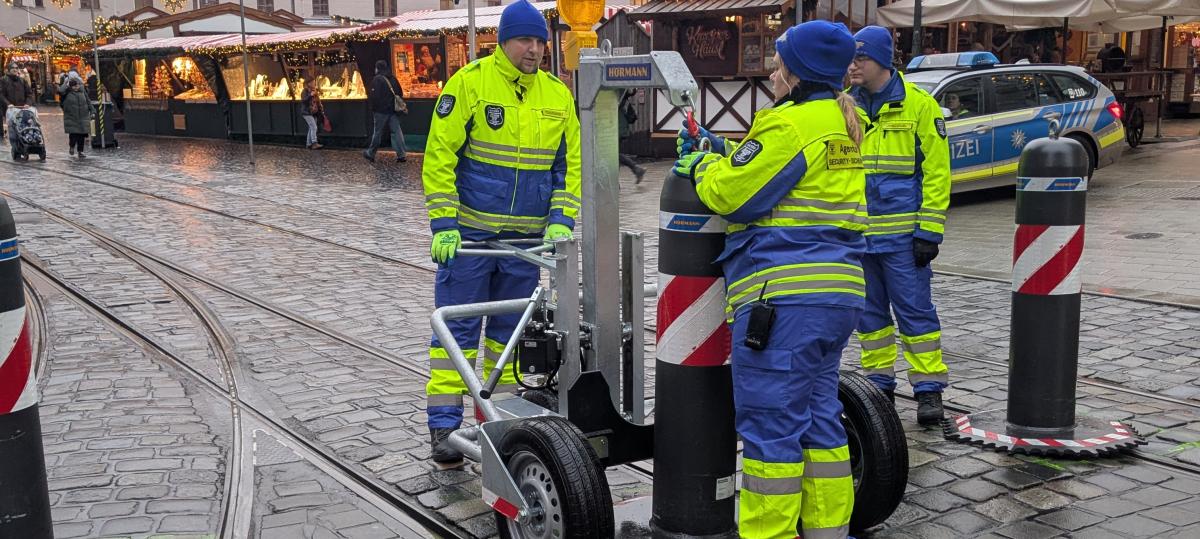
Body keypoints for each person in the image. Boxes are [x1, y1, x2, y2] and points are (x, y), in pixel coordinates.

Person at [675, 20, 865, 539]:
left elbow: (734, 194)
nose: (775, 70)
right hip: (836, 299)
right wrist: (719, 147)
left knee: (770, 435)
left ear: (798, 72)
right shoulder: (843, 122)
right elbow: (770, 176)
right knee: (821, 425)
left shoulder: (790, 125)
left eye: (781, 62)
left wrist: (697, 167)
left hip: (783, 304)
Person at [421, 0, 581, 465]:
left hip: (526, 245)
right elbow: (440, 157)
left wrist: (561, 220)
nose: (533, 50)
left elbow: (568, 166)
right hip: (469, 240)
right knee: (457, 334)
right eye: (524, 41)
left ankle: (498, 423)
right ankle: (444, 430)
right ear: (503, 41)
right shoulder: (469, 84)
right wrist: (444, 224)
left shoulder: (557, 95)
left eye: (539, 42)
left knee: (507, 338)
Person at [847, 26, 951, 425]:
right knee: (869, 319)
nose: (853, 66)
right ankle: (879, 386)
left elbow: (938, 173)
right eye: (851, 59)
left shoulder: (920, 107)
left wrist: (929, 231)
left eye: (862, 59)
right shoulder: (846, 107)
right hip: (859, 237)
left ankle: (928, 389)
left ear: (883, 62)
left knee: (916, 315)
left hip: (904, 238)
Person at [363, 59, 408, 163]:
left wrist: (373, 108)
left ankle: (371, 153)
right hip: (393, 110)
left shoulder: (377, 79)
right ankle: (402, 154)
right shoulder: (393, 78)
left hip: (380, 111)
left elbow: (374, 96)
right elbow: (399, 92)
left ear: (377, 68)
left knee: (377, 132)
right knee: (397, 131)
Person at [1, 62, 35, 144]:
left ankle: (25, 144)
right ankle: (16, 150)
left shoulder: (22, 80)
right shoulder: (3, 80)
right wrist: (8, 104)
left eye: (16, 68)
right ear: (8, 70)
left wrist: (28, 103)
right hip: (10, 109)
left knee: (24, 127)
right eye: (13, 68)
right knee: (13, 129)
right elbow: (1, 94)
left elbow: (29, 94)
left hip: (22, 108)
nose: (15, 69)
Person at [618, 88, 647, 183]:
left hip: (616, 129)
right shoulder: (624, 100)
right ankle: (636, 169)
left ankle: (636, 169)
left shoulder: (617, 98)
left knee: (612, 155)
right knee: (614, 155)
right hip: (621, 129)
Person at [61, 78, 94, 158]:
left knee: (81, 136)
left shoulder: (83, 92)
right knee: (73, 134)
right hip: (72, 117)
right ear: (71, 86)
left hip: (83, 116)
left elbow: (88, 101)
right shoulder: (67, 93)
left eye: (77, 85)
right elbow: (60, 91)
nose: (76, 87)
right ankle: (72, 147)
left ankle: (80, 151)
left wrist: (92, 110)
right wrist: (65, 83)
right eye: (74, 86)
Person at [300, 78, 324, 150]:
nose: (314, 83)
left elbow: (317, 101)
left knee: (311, 128)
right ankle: (314, 143)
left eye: (314, 82)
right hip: (307, 112)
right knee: (314, 127)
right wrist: (310, 95)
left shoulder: (314, 90)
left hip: (314, 112)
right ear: (308, 83)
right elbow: (303, 101)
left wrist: (320, 109)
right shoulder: (305, 91)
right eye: (313, 82)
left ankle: (308, 144)